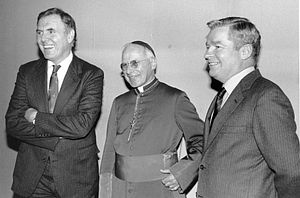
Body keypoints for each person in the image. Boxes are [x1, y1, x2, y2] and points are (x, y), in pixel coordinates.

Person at [173, 16, 300, 198]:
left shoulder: (266, 97)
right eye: (207, 46)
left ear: (245, 51)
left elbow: (292, 171)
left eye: (217, 46)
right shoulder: (223, 95)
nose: (207, 54)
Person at [5, 7, 104, 198]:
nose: (43, 39)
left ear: (70, 35)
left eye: (51, 31)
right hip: (32, 178)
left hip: (76, 179)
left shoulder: (91, 74)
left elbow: (81, 126)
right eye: (40, 32)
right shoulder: (26, 72)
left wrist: (35, 117)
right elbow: (12, 123)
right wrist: (57, 137)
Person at [100, 40, 204, 198]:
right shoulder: (119, 102)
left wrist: (182, 173)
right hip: (121, 188)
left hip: (159, 188)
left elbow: (202, 139)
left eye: (134, 63)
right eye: (125, 65)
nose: (129, 70)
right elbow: (109, 154)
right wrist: (106, 190)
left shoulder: (175, 98)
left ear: (153, 63)